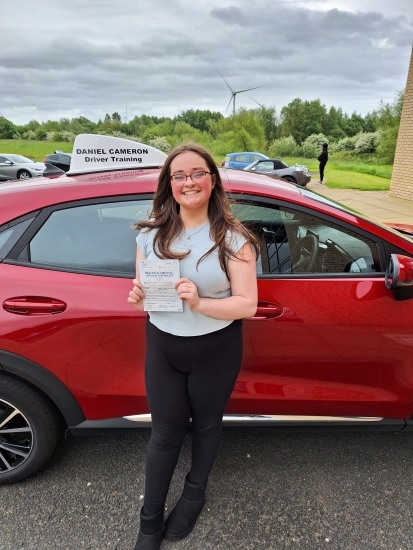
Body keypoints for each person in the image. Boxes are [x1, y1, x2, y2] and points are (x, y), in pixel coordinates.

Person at [128, 143, 259, 550]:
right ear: (169, 184)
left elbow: (248, 305)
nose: (189, 182)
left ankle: (194, 492)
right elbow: (146, 289)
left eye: (197, 173)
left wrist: (201, 302)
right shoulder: (150, 233)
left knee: (206, 424)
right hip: (163, 344)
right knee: (164, 434)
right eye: (179, 175)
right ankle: (149, 521)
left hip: (215, 348)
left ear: (213, 179)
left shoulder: (233, 239)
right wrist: (138, 295)